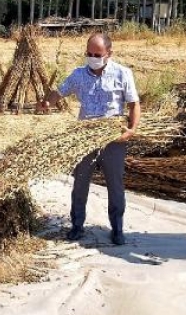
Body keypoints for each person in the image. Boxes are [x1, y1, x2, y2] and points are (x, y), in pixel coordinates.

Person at [39, 33, 140, 245]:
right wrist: (48, 101)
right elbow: (59, 92)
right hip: (85, 138)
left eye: (98, 54)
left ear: (109, 53)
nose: (92, 57)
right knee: (80, 183)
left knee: (115, 184)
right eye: (89, 53)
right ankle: (77, 225)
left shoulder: (123, 73)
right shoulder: (78, 74)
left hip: (113, 138)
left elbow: (133, 104)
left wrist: (131, 130)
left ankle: (118, 228)